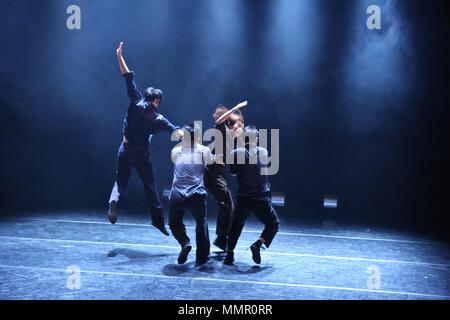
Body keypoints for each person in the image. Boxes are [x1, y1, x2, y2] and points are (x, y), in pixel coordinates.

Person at [108, 42, 183, 236]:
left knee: (120, 181)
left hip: (124, 148)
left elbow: (127, 76)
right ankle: (158, 220)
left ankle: (114, 201)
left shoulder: (135, 101)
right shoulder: (158, 118)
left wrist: (119, 56)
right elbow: (176, 131)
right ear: (157, 101)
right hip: (140, 154)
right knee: (149, 185)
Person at [224, 126, 280, 265]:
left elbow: (233, 173)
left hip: (244, 198)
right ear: (256, 139)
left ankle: (229, 255)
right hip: (261, 198)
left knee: (236, 226)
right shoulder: (264, 151)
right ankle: (258, 244)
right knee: (273, 224)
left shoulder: (236, 153)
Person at [204, 102, 247, 251]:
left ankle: (222, 238)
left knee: (227, 205)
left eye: (241, 125)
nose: (240, 128)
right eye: (238, 125)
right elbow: (218, 121)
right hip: (211, 173)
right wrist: (235, 109)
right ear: (230, 125)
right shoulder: (223, 132)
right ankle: (221, 238)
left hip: (217, 173)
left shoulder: (233, 140)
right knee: (227, 204)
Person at [168, 124, 214, 265]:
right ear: (198, 137)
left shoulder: (175, 150)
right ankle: (202, 256)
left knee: (174, 223)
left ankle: (184, 242)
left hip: (177, 195)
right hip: (196, 194)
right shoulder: (204, 150)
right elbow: (210, 162)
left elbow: (177, 161)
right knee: (201, 224)